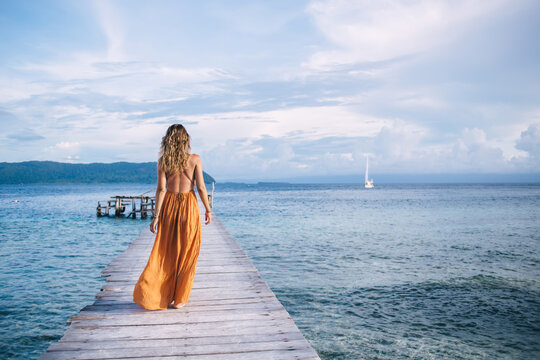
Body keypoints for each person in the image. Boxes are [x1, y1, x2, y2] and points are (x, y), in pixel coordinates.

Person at [133, 124, 212, 310]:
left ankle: (160, 294)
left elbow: (161, 190)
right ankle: (180, 299)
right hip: (188, 207)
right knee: (187, 251)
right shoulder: (195, 159)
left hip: (168, 206)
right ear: (186, 140)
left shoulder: (163, 162)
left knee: (166, 252)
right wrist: (208, 209)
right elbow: (200, 187)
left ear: (167, 140)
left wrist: (156, 217)